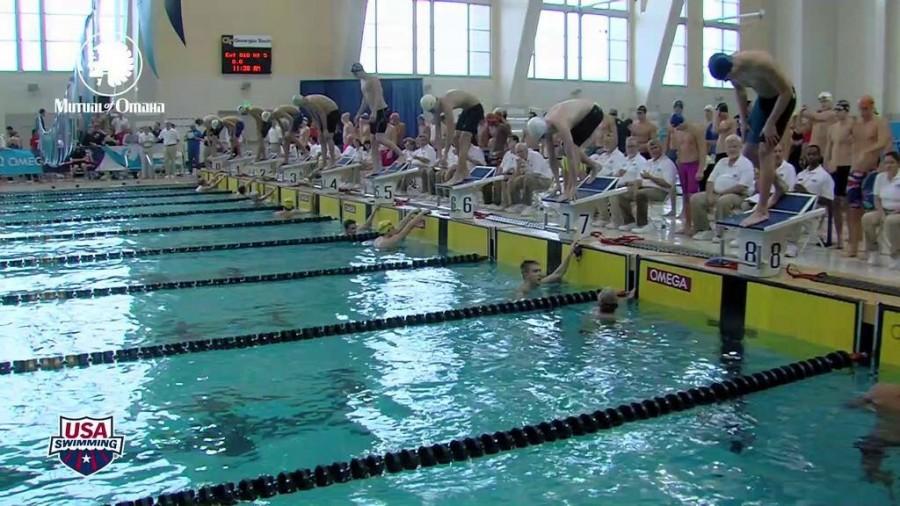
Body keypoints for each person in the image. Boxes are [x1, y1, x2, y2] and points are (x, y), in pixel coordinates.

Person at [708, 50, 797, 227]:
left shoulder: (761, 63)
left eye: (728, 77)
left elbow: (786, 92)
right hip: (763, 102)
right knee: (748, 151)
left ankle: (762, 209)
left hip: (783, 101)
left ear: (733, 65)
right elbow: (740, 92)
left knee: (765, 150)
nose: (729, 81)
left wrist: (771, 123)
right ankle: (779, 186)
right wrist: (743, 119)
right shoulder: (731, 71)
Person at [524, 99, 604, 201]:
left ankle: (570, 188)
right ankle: (594, 165)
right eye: (543, 138)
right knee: (562, 149)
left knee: (571, 148)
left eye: (545, 136)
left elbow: (571, 157)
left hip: (593, 112)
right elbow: (552, 158)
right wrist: (557, 184)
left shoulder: (560, 122)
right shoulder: (546, 126)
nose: (546, 138)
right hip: (580, 116)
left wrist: (573, 187)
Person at [847, 95, 892, 257]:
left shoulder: (880, 123)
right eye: (861, 109)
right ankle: (853, 245)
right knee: (852, 209)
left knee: (869, 210)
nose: (863, 112)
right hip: (854, 170)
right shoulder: (857, 124)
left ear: (872, 107)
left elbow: (885, 142)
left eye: (866, 109)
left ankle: (869, 247)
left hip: (871, 171)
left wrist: (871, 153)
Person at [690, 134, 755, 241]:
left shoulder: (746, 164)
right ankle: (704, 230)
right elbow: (710, 180)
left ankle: (721, 232)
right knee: (696, 199)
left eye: (735, 146)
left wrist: (721, 193)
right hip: (717, 193)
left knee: (723, 200)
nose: (732, 149)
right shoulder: (721, 162)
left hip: (738, 196)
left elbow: (741, 187)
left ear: (740, 147)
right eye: (729, 147)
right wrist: (710, 194)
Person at [420, 89, 484, 186]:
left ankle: (459, 173)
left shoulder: (446, 104)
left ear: (435, 103)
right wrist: (439, 155)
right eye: (431, 111)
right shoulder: (436, 107)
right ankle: (464, 170)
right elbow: (438, 131)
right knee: (456, 138)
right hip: (467, 110)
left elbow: (450, 131)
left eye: (433, 110)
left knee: (464, 137)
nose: (434, 112)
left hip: (476, 109)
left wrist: (445, 154)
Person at [847, 382, 900, 489]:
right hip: (888, 438)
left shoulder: (881, 390)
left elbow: (852, 405)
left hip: (880, 439)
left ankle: (883, 478)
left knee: (870, 472)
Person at [617, 138, 676, 233]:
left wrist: (651, 177)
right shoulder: (648, 163)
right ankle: (629, 222)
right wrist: (635, 188)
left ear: (661, 148)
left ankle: (643, 224)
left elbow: (668, 184)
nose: (653, 150)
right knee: (623, 195)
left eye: (655, 147)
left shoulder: (668, 163)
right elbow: (639, 179)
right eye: (651, 149)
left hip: (660, 191)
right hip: (644, 187)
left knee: (641, 194)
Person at [352, 63, 400, 173]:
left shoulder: (373, 79)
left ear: (360, 71)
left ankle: (401, 154)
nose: (356, 77)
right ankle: (377, 168)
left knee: (379, 138)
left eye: (356, 74)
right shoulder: (362, 82)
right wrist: (359, 113)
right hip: (373, 111)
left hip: (381, 110)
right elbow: (365, 100)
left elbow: (379, 95)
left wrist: (374, 112)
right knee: (373, 141)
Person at [823, 99, 854, 248]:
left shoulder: (852, 126)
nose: (837, 113)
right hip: (834, 167)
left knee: (846, 202)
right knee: (834, 202)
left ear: (846, 111)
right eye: (836, 110)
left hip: (847, 165)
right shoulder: (832, 128)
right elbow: (829, 147)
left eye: (839, 110)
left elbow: (856, 146)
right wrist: (825, 164)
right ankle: (840, 236)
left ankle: (851, 236)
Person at [669, 113, 707, 234]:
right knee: (685, 197)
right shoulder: (676, 131)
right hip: (682, 165)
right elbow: (677, 149)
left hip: (693, 165)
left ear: (683, 122)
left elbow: (703, 150)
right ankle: (687, 225)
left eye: (678, 126)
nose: (677, 129)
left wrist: (701, 169)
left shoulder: (696, 130)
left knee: (692, 197)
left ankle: (696, 225)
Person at [862, 151, 900, 268]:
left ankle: (896, 255)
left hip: (897, 211)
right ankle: (874, 250)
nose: (888, 165)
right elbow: (876, 198)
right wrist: (881, 213)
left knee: (891, 221)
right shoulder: (880, 177)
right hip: (883, 209)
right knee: (867, 218)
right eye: (886, 163)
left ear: (898, 164)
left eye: (892, 163)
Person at [516, 241, 580, 298]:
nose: (539, 274)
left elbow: (557, 274)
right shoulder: (521, 294)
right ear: (526, 274)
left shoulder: (537, 283)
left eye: (539, 271)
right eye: (535, 271)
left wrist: (570, 253)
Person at [292, 94, 341, 167]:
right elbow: (314, 116)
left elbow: (322, 114)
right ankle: (324, 162)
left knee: (328, 137)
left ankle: (333, 161)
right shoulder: (306, 104)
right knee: (321, 139)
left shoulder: (311, 101)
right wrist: (319, 130)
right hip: (325, 114)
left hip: (332, 111)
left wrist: (325, 129)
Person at [503, 142, 553, 212]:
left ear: (526, 150)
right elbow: (517, 175)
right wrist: (518, 166)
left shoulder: (536, 156)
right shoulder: (519, 159)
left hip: (544, 179)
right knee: (513, 181)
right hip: (529, 177)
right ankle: (516, 204)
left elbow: (536, 173)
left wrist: (525, 169)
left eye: (521, 151)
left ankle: (527, 205)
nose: (519, 154)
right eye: (517, 152)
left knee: (527, 179)